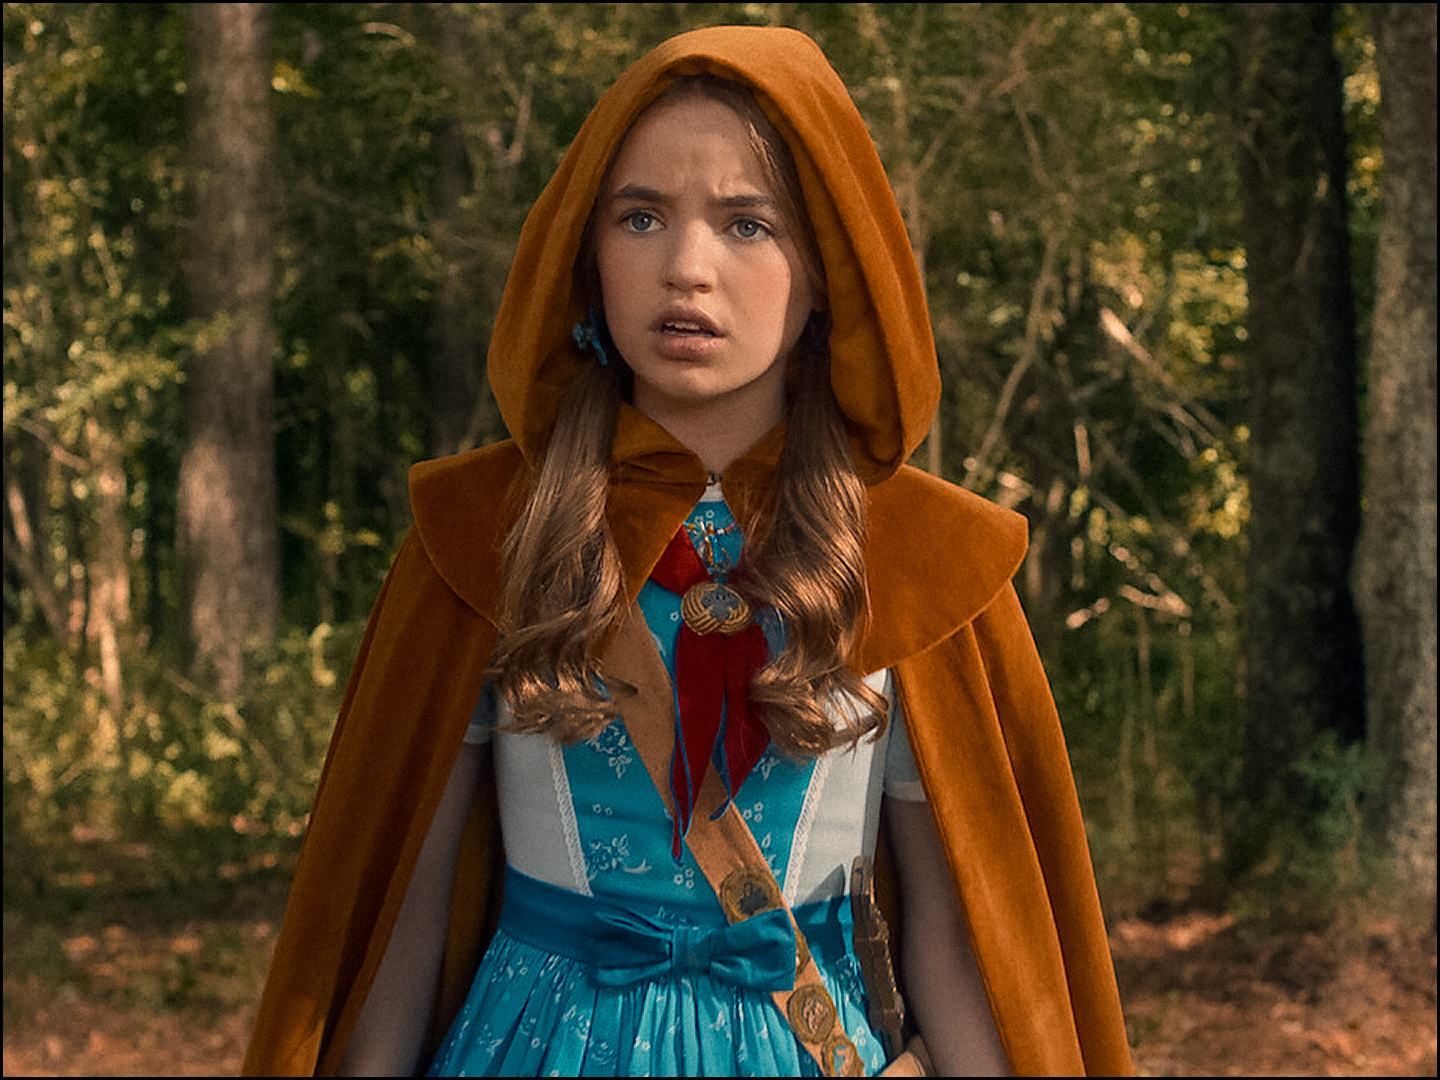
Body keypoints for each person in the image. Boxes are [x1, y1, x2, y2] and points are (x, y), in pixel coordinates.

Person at [244, 26, 1132, 1079]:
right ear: (588, 255)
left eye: (748, 224)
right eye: (641, 217)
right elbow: (393, 922)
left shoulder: (922, 558)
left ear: (825, 272)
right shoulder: (483, 533)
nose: (686, 269)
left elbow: (968, 938)